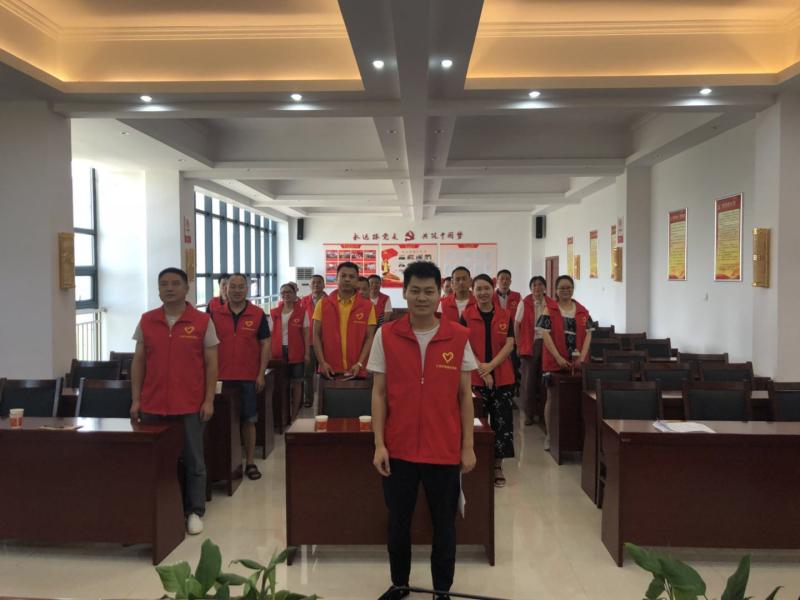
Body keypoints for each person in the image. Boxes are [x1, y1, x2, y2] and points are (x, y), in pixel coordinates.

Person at [369, 261, 477, 600]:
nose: (421, 297)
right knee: (397, 523)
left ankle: (441, 590)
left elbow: (465, 396)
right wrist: (379, 444)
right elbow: (379, 393)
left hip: (443, 449)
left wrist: (468, 446)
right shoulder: (387, 334)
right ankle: (400, 584)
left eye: (429, 291)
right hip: (398, 449)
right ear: (404, 292)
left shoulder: (458, 336)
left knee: (444, 525)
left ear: (439, 293)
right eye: (415, 290)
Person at [130, 267, 218, 535]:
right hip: (152, 404)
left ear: (186, 288)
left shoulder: (202, 321)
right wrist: (136, 399)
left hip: (190, 404)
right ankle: (154, 509)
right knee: (153, 460)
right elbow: (139, 361)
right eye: (163, 284)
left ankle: (194, 511)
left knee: (194, 461)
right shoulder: (147, 320)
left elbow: (211, 364)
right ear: (158, 290)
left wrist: (209, 400)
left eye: (175, 283)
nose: (169, 288)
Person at [210, 273, 271, 481]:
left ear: (247, 289)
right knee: (220, 421)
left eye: (241, 286)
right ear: (225, 288)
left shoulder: (257, 314)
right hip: (220, 377)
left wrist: (261, 374)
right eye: (232, 286)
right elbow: (207, 346)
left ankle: (250, 462)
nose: (237, 290)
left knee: (249, 419)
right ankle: (223, 463)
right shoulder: (214, 314)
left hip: (248, 377)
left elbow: (265, 344)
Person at [461, 274, 515, 487]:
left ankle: (497, 466)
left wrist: (490, 366)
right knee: (476, 422)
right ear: (473, 291)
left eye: (486, 288)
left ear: (493, 289)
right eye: (479, 289)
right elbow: (464, 345)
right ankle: (477, 462)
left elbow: (509, 344)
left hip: (503, 377)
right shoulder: (466, 315)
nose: (483, 292)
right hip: (475, 377)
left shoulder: (505, 315)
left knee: (502, 422)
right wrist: (482, 370)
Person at [536, 275, 594, 450]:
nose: (566, 290)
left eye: (569, 287)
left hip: (577, 363)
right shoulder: (550, 310)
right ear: (556, 290)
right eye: (562, 288)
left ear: (573, 289)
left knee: (575, 398)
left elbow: (588, 335)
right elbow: (545, 334)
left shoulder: (582, 311)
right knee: (552, 398)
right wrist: (558, 358)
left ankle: (574, 437)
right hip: (554, 361)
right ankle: (550, 436)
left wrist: (582, 358)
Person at [313, 262, 377, 379]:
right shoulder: (322, 304)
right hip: (329, 368)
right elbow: (316, 335)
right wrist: (322, 362)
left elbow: (370, 338)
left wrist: (359, 364)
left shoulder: (368, 306)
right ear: (336, 278)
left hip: (357, 369)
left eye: (352, 276)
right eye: (343, 276)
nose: (347, 279)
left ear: (357, 280)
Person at [269, 283, 311, 418]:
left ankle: (294, 413)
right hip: (278, 351)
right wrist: (268, 352)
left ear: (294, 294)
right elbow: (270, 334)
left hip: (296, 350)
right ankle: (282, 414)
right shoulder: (274, 312)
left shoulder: (302, 312)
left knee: (297, 382)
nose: (286, 295)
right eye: (283, 292)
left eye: (289, 292)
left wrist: (307, 353)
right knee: (280, 383)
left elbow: (306, 334)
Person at [515, 276, 547, 426]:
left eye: (540, 285)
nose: (537, 288)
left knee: (545, 380)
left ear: (545, 287)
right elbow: (516, 325)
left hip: (547, 344)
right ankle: (529, 413)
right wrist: (518, 344)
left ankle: (543, 414)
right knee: (529, 380)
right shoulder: (525, 302)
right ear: (530, 288)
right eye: (534, 285)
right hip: (530, 344)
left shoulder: (550, 303)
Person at [494, 269, 522, 399]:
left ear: (511, 281)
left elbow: (520, 318)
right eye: (502, 278)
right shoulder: (491, 295)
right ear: (497, 281)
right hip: (496, 335)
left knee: (513, 364)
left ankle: (512, 390)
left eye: (507, 279)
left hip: (512, 335)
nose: (504, 281)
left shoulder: (517, 296)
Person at [301, 274, 327, 407]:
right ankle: (308, 399)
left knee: (326, 372)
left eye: (319, 282)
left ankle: (326, 399)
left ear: (324, 285)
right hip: (309, 342)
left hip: (326, 343)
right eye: (314, 282)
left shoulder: (331, 300)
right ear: (310, 285)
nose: (316, 285)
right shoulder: (303, 301)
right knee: (308, 374)